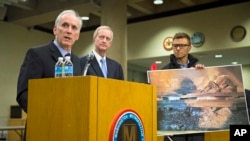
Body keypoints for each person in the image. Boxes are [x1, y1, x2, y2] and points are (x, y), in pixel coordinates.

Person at [16, 9, 83, 141]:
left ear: (77, 35)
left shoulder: (77, 61)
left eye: (74, 28)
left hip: (70, 130)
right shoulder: (37, 54)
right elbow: (23, 94)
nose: (69, 30)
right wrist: (48, 114)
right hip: (42, 129)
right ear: (55, 30)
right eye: (65, 25)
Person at [162, 32, 204, 141]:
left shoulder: (198, 70)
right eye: (175, 46)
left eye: (182, 45)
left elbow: (201, 93)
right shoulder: (164, 72)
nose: (178, 48)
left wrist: (201, 73)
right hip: (174, 128)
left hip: (194, 128)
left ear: (189, 47)